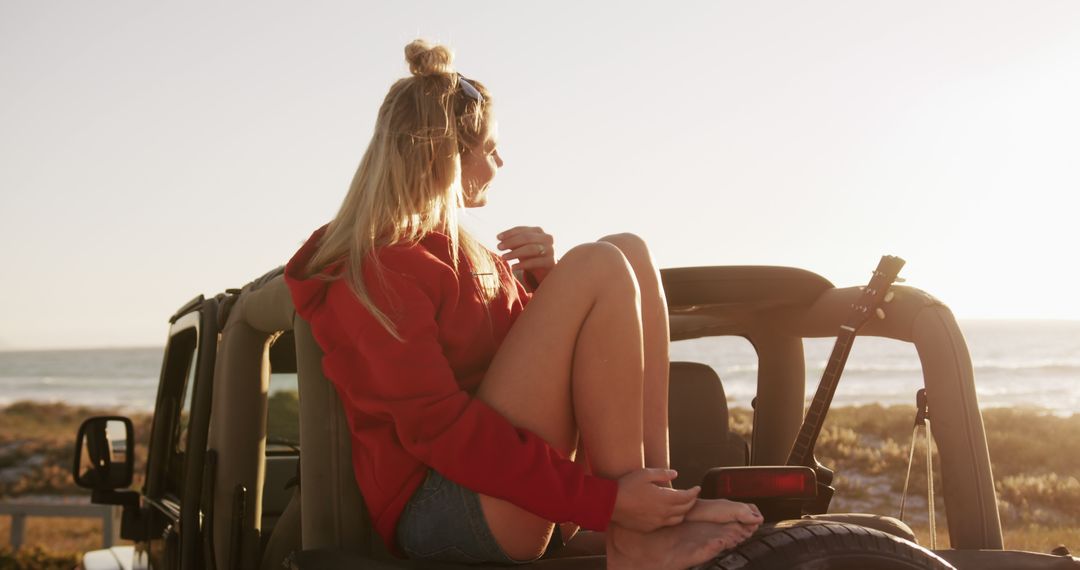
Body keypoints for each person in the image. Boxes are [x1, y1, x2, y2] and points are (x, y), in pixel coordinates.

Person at [284, 39, 763, 569]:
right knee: (599, 263)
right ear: (446, 156)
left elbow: (523, 368)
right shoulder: (373, 269)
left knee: (628, 250)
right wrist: (604, 503)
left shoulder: (467, 252)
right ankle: (635, 531)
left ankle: (655, 511)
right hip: (442, 507)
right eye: (489, 148)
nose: (501, 160)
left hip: (513, 491)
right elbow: (440, 429)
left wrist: (543, 284)